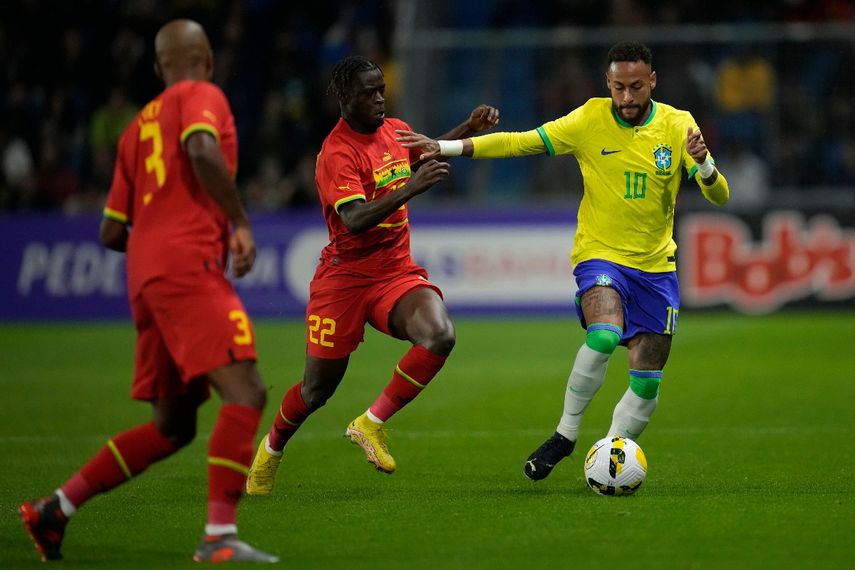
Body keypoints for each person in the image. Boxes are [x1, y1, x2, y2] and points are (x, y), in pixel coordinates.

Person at [397, 41, 729, 481]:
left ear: (652, 81)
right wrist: (445, 147)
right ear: (606, 84)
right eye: (618, 88)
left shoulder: (677, 124)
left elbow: (719, 194)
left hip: (657, 267)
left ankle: (609, 458)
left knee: (647, 382)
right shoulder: (589, 118)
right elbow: (520, 144)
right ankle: (566, 435)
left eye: (635, 87)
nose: (627, 98)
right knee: (606, 334)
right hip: (600, 255)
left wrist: (704, 164)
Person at [19, 20, 277, 563]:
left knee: (172, 426)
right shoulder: (202, 95)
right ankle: (219, 538)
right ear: (207, 57)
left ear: (159, 67)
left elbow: (111, 231)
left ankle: (53, 511)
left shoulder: (135, 128)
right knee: (247, 392)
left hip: (144, 276)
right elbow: (204, 152)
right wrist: (239, 223)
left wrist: (158, 234)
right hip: (188, 266)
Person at [244, 55, 499, 494]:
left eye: (381, 89)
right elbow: (354, 219)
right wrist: (411, 187)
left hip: (395, 272)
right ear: (344, 98)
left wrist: (466, 129)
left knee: (439, 335)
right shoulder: (336, 154)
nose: (379, 98)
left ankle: (371, 423)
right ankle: (270, 450)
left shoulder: (393, 130)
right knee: (315, 391)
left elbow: (422, 151)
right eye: (368, 91)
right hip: (344, 281)